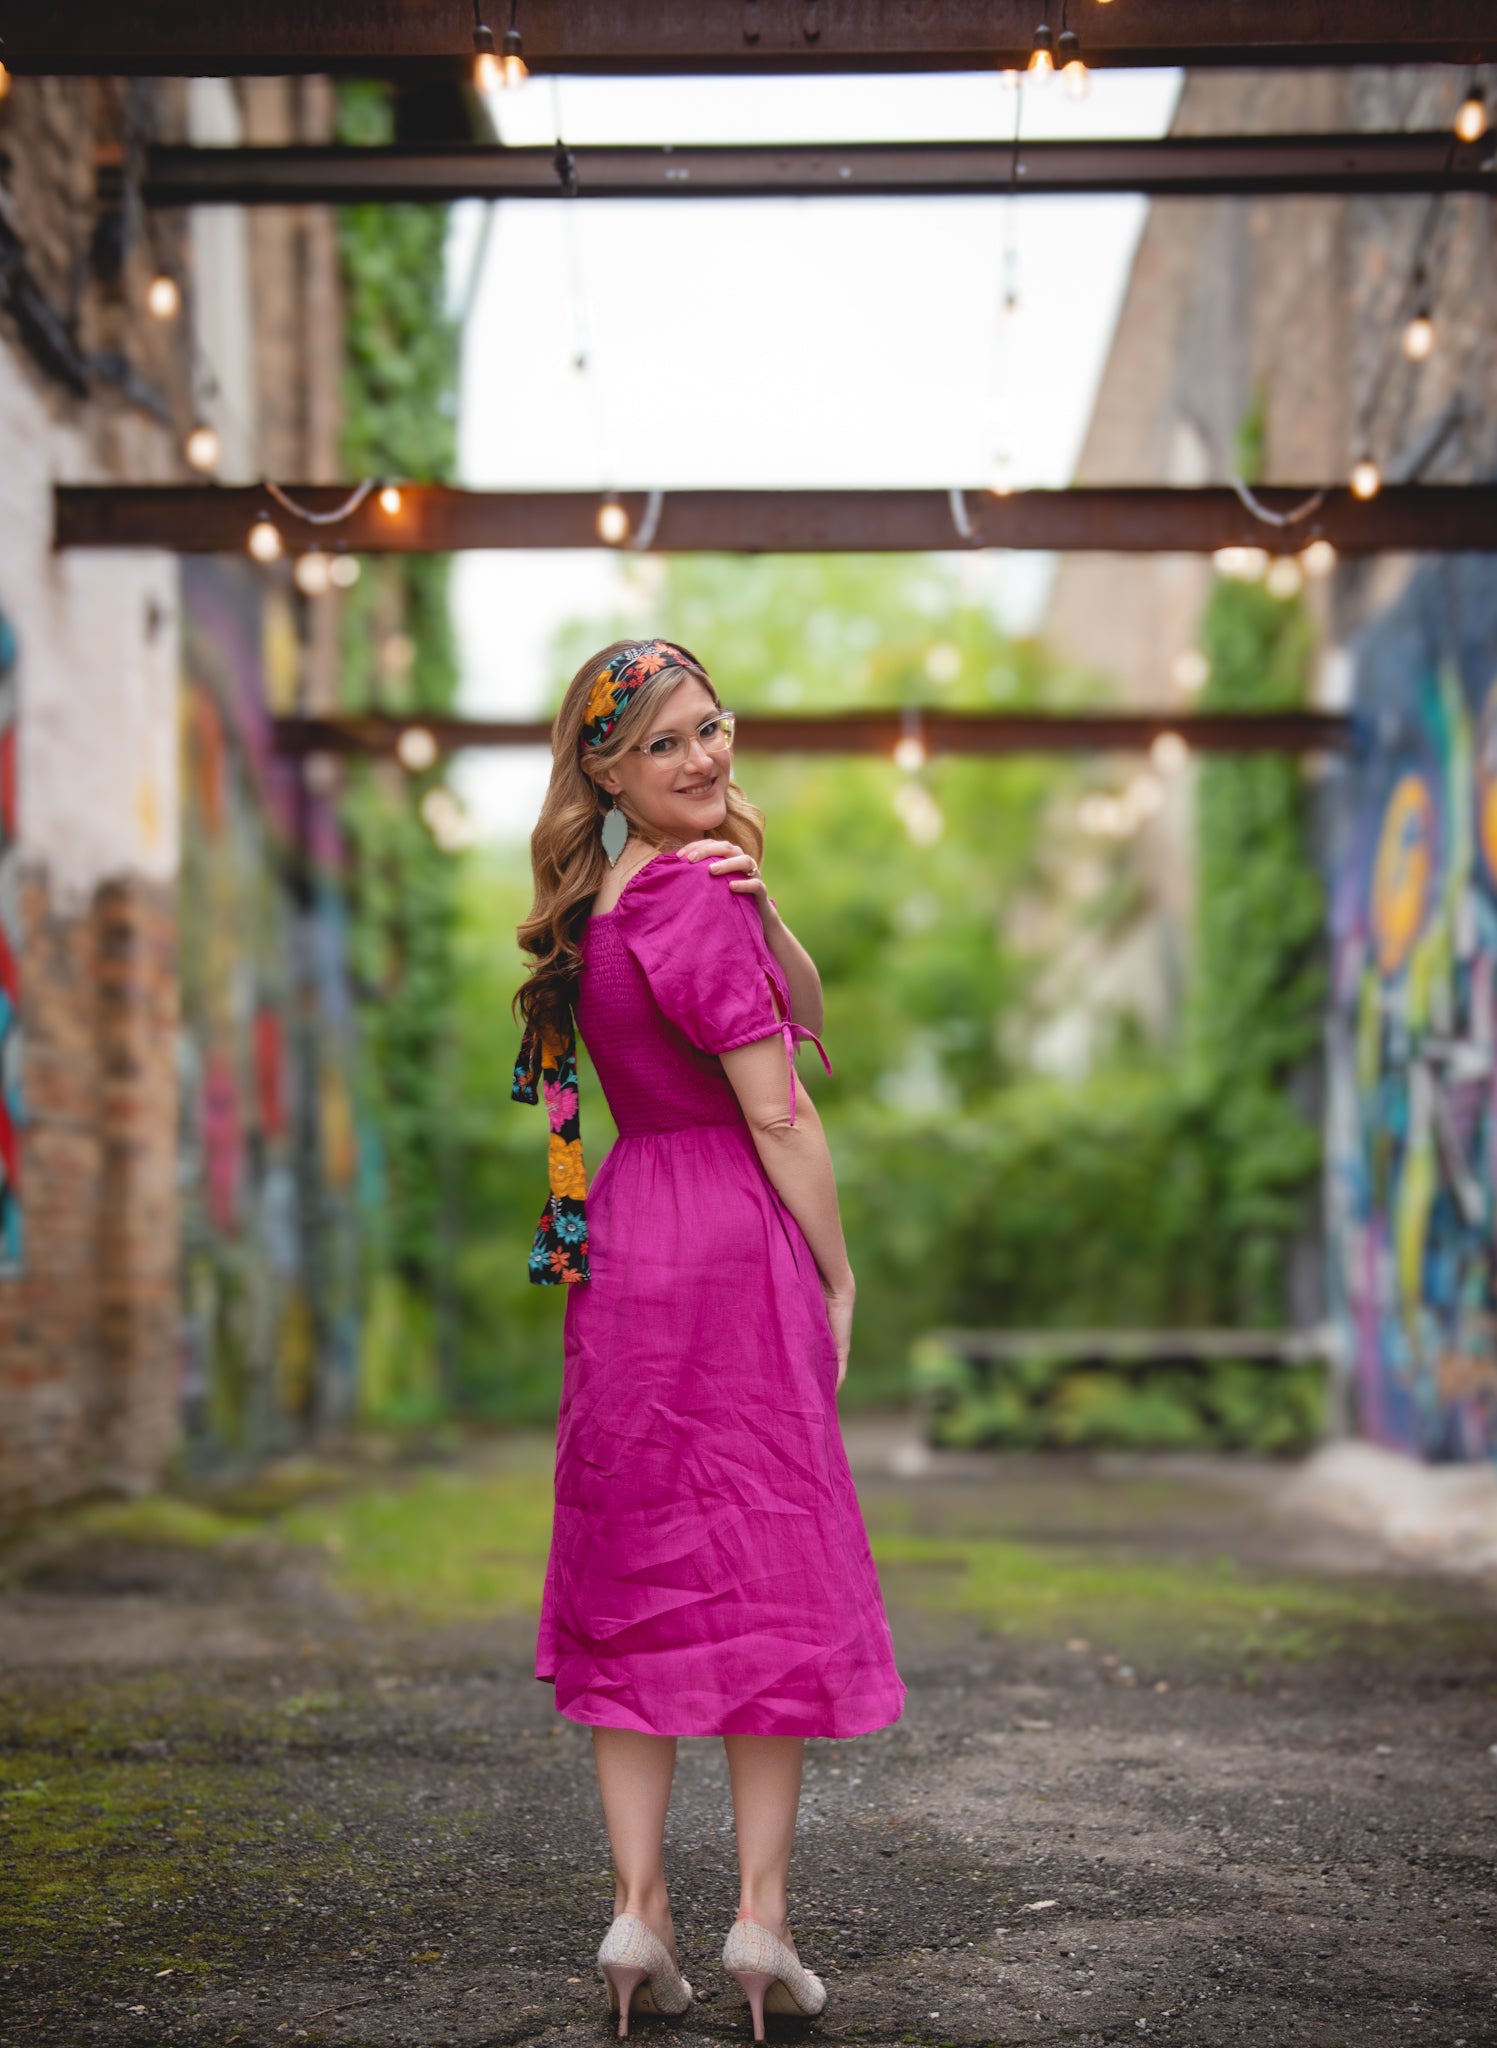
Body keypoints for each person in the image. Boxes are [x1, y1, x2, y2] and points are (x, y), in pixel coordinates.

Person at [512, 638, 905, 2039]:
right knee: (761, 1567)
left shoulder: (617, 896)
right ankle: (760, 1919)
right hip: (731, 1243)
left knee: (637, 1571)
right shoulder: (686, 895)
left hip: (629, 1247)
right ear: (608, 771)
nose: (705, 757)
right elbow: (781, 1105)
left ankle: (639, 1915)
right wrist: (838, 1272)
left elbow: (789, 999)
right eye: (667, 744)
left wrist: (766, 894)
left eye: (712, 728)